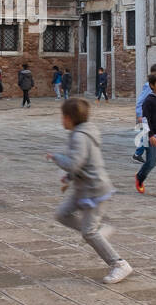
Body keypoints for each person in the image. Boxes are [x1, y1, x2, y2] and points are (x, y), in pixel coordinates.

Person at [47, 97, 132, 285]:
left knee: (89, 233)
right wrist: (68, 178)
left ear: (69, 118)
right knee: (62, 214)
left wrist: (56, 158)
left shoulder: (80, 136)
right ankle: (99, 230)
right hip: (82, 189)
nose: (61, 120)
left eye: (62, 116)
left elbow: (74, 163)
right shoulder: (80, 133)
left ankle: (119, 264)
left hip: (95, 190)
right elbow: (83, 163)